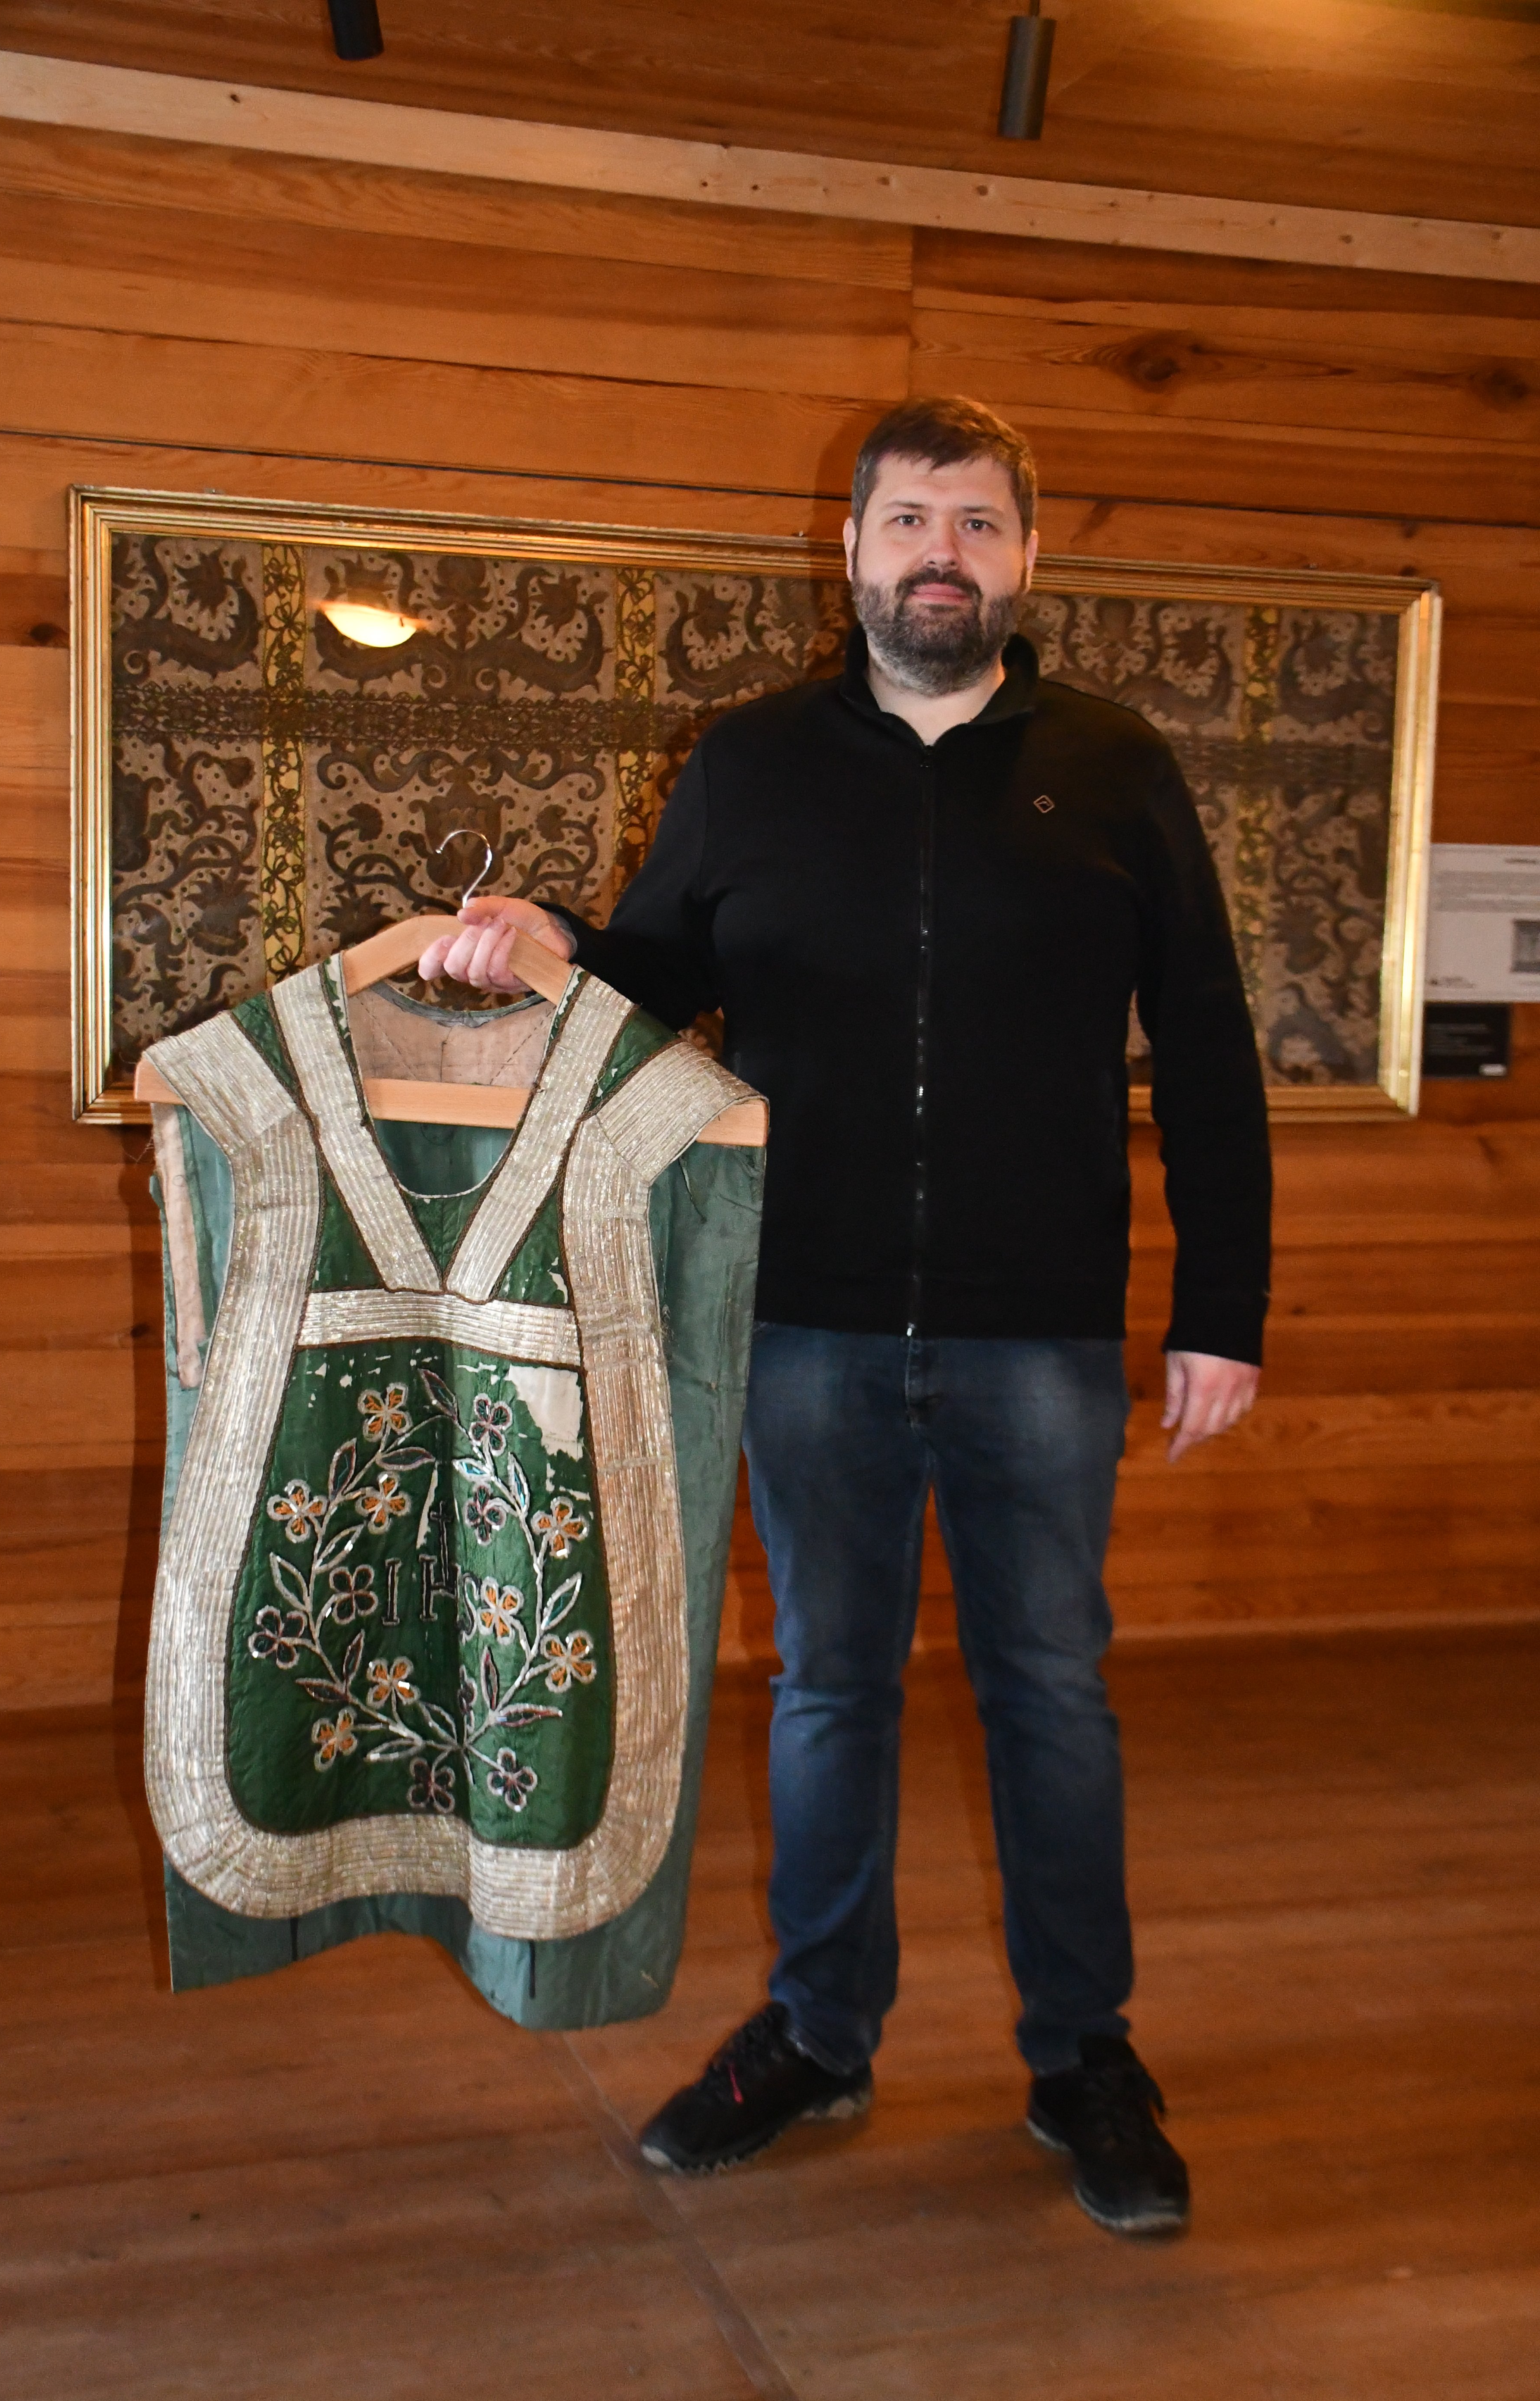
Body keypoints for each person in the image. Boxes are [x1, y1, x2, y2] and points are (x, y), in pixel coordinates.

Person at [420, 395, 1271, 2238]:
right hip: (802, 1323)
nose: (939, 554)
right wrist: (552, 941)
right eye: (907, 521)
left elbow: (1208, 1051)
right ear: (854, 552)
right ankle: (818, 2033)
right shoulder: (748, 766)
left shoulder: (1117, 768)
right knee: (826, 1695)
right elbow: (655, 983)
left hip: (1041, 1331)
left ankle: (1084, 2058)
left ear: (1025, 558)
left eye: (975, 522)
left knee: (1051, 1693)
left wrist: (1223, 1307)